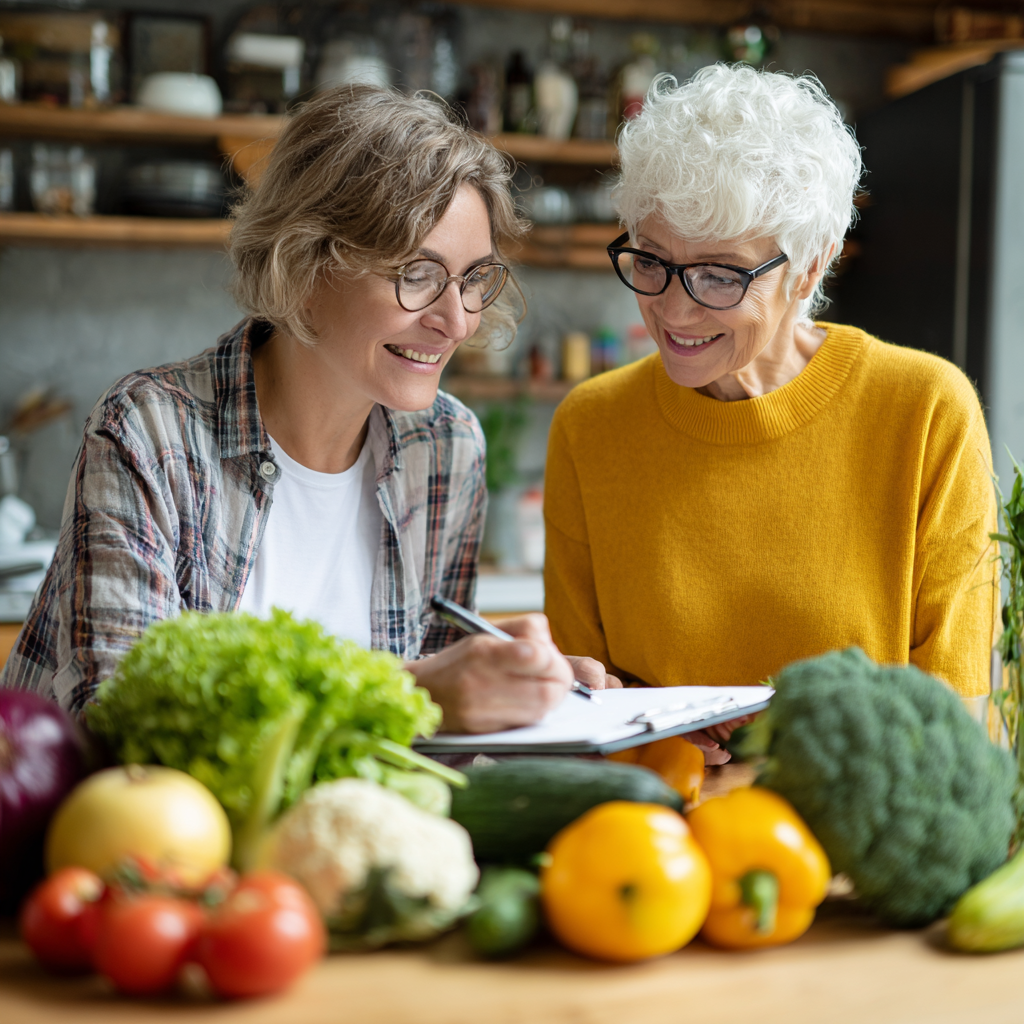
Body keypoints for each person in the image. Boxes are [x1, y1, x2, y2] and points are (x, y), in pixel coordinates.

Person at [1, 86, 617, 729]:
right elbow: (118, 716)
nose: (457, 322)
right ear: (303, 265)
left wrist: (518, 692)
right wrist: (415, 689)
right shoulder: (150, 432)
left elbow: (430, 723)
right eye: (417, 274)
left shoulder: (445, 448)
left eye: (473, 280)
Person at [543, 64, 998, 749]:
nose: (672, 307)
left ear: (811, 266)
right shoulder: (592, 424)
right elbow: (578, 707)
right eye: (650, 259)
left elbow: (953, 723)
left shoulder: (925, 412)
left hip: (846, 847)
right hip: (650, 841)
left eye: (719, 275)